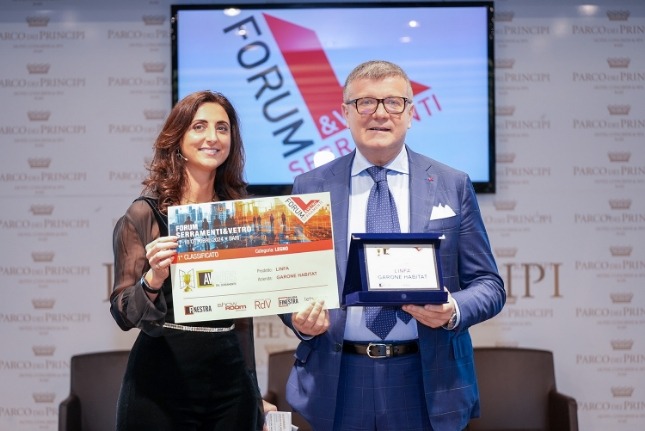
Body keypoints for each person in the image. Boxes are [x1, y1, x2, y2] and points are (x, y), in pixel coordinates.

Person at [281, 60, 506, 431]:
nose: (380, 113)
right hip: (338, 378)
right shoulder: (310, 187)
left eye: (393, 102)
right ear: (345, 114)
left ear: (411, 113)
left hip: (428, 379)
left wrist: (452, 310)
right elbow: (288, 283)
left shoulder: (451, 184)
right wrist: (299, 319)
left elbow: (489, 285)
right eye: (365, 102)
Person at [110, 90, 273, 430]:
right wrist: (153, 278)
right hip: (160, 385)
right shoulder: (145, 213)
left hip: (231, 385)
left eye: (222, 128)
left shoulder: (240, 214)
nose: (212, 137)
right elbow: (123, 314)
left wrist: (252, 389)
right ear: (178, 139)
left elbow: (242, 320)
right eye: (199, 126)